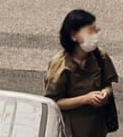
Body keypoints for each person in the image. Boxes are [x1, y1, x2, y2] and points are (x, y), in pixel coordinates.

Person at [45, 9, 118, 137]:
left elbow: (108, 84)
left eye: (96, 30)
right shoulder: (60, 64)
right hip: (70, 129)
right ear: (74, 35)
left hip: (97, 127)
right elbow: (54, 102)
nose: (95, 35)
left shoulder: (100, 56)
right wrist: (85, 99)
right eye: (91, 31)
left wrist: (105, 93)